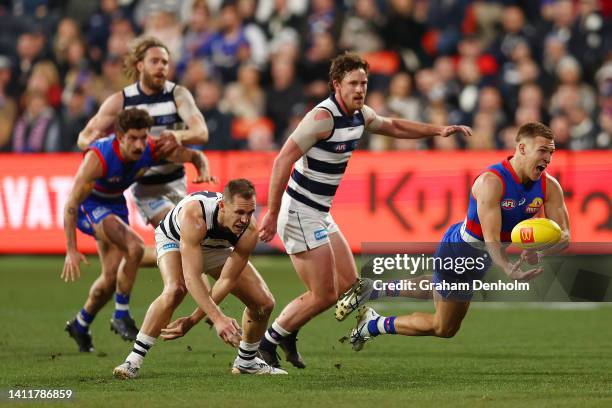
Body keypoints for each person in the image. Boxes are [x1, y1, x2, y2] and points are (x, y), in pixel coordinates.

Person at [257, 52, 472, 369]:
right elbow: (282, 161)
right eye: (353, 83)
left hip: (319, 211)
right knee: (325, 294)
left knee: (351, 287)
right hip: (301, 210)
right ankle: (267, 344)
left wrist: (437, 131)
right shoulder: (322, 118)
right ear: (336, 85)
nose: (360, 89)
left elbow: (394, 125)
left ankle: (289, 331)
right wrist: (272, 213)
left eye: (364, 83)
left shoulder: (359, 114)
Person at [342, 122, 570, 350]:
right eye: (542, 151)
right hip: (462, 248)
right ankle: (372, 324)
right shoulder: (492, 181)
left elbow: (564, 236)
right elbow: (491, 239)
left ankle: (372, 289)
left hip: (481, 257)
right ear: (521, 149)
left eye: (551, 152)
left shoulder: (549, 186)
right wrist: (508, 267)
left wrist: (539, 251)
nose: (548, 158)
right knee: (443, 326)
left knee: (441, 288)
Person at [62, 108, 211, 352]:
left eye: (143, 137)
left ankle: (81, 323)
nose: (140, 144)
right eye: (133, 138)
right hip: (89, 206)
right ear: (119, 137)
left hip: (115, 205)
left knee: (110, 278)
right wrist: (71, 249)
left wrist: (202, 166)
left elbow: (192, 156)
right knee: (134, 246)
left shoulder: (150, 149)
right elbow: (71, 204)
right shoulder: (99, 157)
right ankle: (121, 315)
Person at [113, 179, 287, 378]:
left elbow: (227, 280)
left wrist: (192, 320)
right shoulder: (195, 215)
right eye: (239, 212)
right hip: (175, 239)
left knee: (264, 303)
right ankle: (133, 361)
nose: (245, 219)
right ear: (222, 206)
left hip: (216, 247)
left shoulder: (249, 231)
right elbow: (192, 277)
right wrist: (218, 318)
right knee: (175, 290)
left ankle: (247, 361)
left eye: (250, 212)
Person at [77, 36, 212, 265]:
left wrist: (178, 135)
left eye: (165, 62)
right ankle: (135, 255)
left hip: (177, 182)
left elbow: (201, 132)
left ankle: (132, 256)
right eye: (155, 61)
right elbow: (84, 136)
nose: (161, 67)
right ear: (140, 65)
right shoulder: (122, 100)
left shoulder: (177, 95)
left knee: (197, 248)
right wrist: (100, 145)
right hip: (148, 189)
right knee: (186, 239)